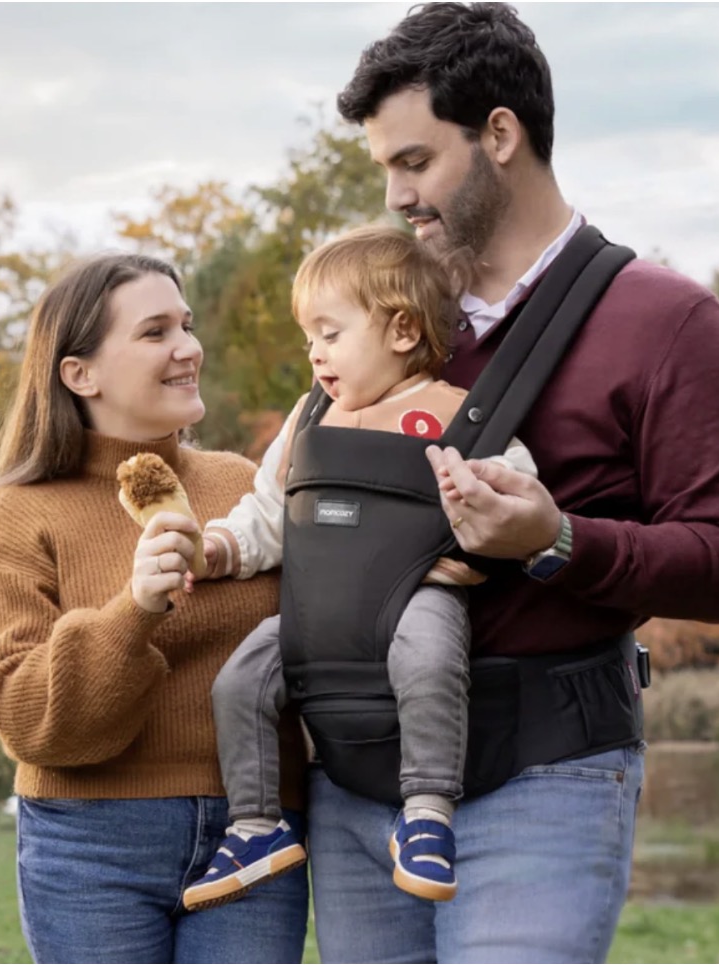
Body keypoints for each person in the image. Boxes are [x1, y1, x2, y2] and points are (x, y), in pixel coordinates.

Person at [284, 3, 719, 963]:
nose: (394, 195)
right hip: (356, 780)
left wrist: (559, 541)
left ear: (500, 133)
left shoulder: (667, 322)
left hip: (546, 777)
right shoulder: (375, 321)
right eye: (384, 166)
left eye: (415, 161)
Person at [0, 253, 309, 964]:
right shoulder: (19, 515)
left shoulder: (246, 489)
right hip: (92, 842)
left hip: (257, 831)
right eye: (155, 332)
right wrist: (134, 608)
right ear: (79, 373)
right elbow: (26, 717)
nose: (188, 347)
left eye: (187, 324)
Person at [179, 225, 535, 913]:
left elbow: (515, 486)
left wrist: (479, 516)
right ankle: (255, 825)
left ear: (401, 330)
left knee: (431, 661)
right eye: (308, 337)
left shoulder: (452, 415)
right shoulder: (312, 418)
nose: (314, 353)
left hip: (412, 595)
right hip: (317, 611)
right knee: (240, 681)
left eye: (330, 333)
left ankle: (427, 810)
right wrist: (218, 548)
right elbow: (267, 511)